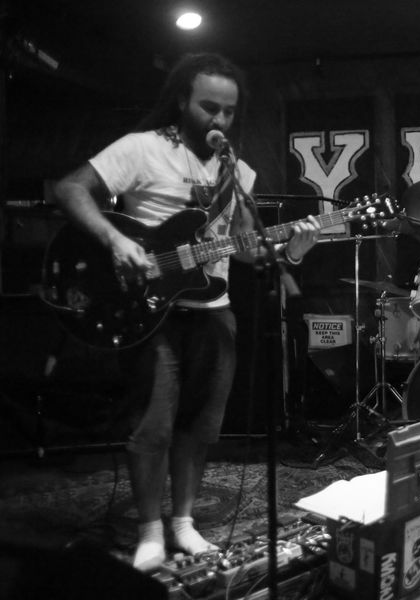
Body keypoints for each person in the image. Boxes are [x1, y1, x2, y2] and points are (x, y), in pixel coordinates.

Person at [52, 53, 320, 572]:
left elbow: (246, 247)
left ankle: (182, 523)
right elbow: (70, 189)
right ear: (181, 101)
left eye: (229, 111)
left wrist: (292, 250)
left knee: (200, 427)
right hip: (149, 308)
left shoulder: (237, 170)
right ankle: (149, 531)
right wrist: (114, 240)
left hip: (214, 310)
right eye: (209, 107)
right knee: (153, 427)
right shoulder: (142, 149)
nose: (220, 119)